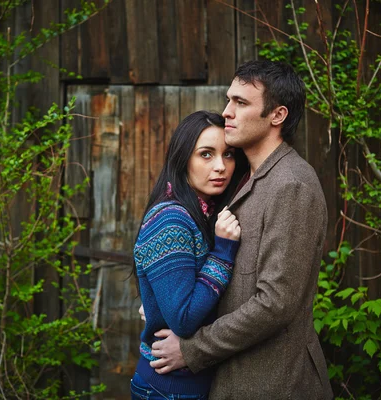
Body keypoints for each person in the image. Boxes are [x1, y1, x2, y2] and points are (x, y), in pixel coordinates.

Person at [147, 60, 334, 399]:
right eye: (228, 99)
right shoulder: (241, 179)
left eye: (241, 103)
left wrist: (192, 348)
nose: (227, 111)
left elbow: (275, 303)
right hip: (232, 379)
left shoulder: (290, 185)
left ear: (277, 115)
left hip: (274, 382)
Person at [131, 110, 248, 399]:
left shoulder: (204, 213)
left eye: (229, 155)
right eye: (206, 155)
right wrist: (223, 252)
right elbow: (183, 318)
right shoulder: (171, 219)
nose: (221, 166)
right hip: (168, 389)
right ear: (183, 159)